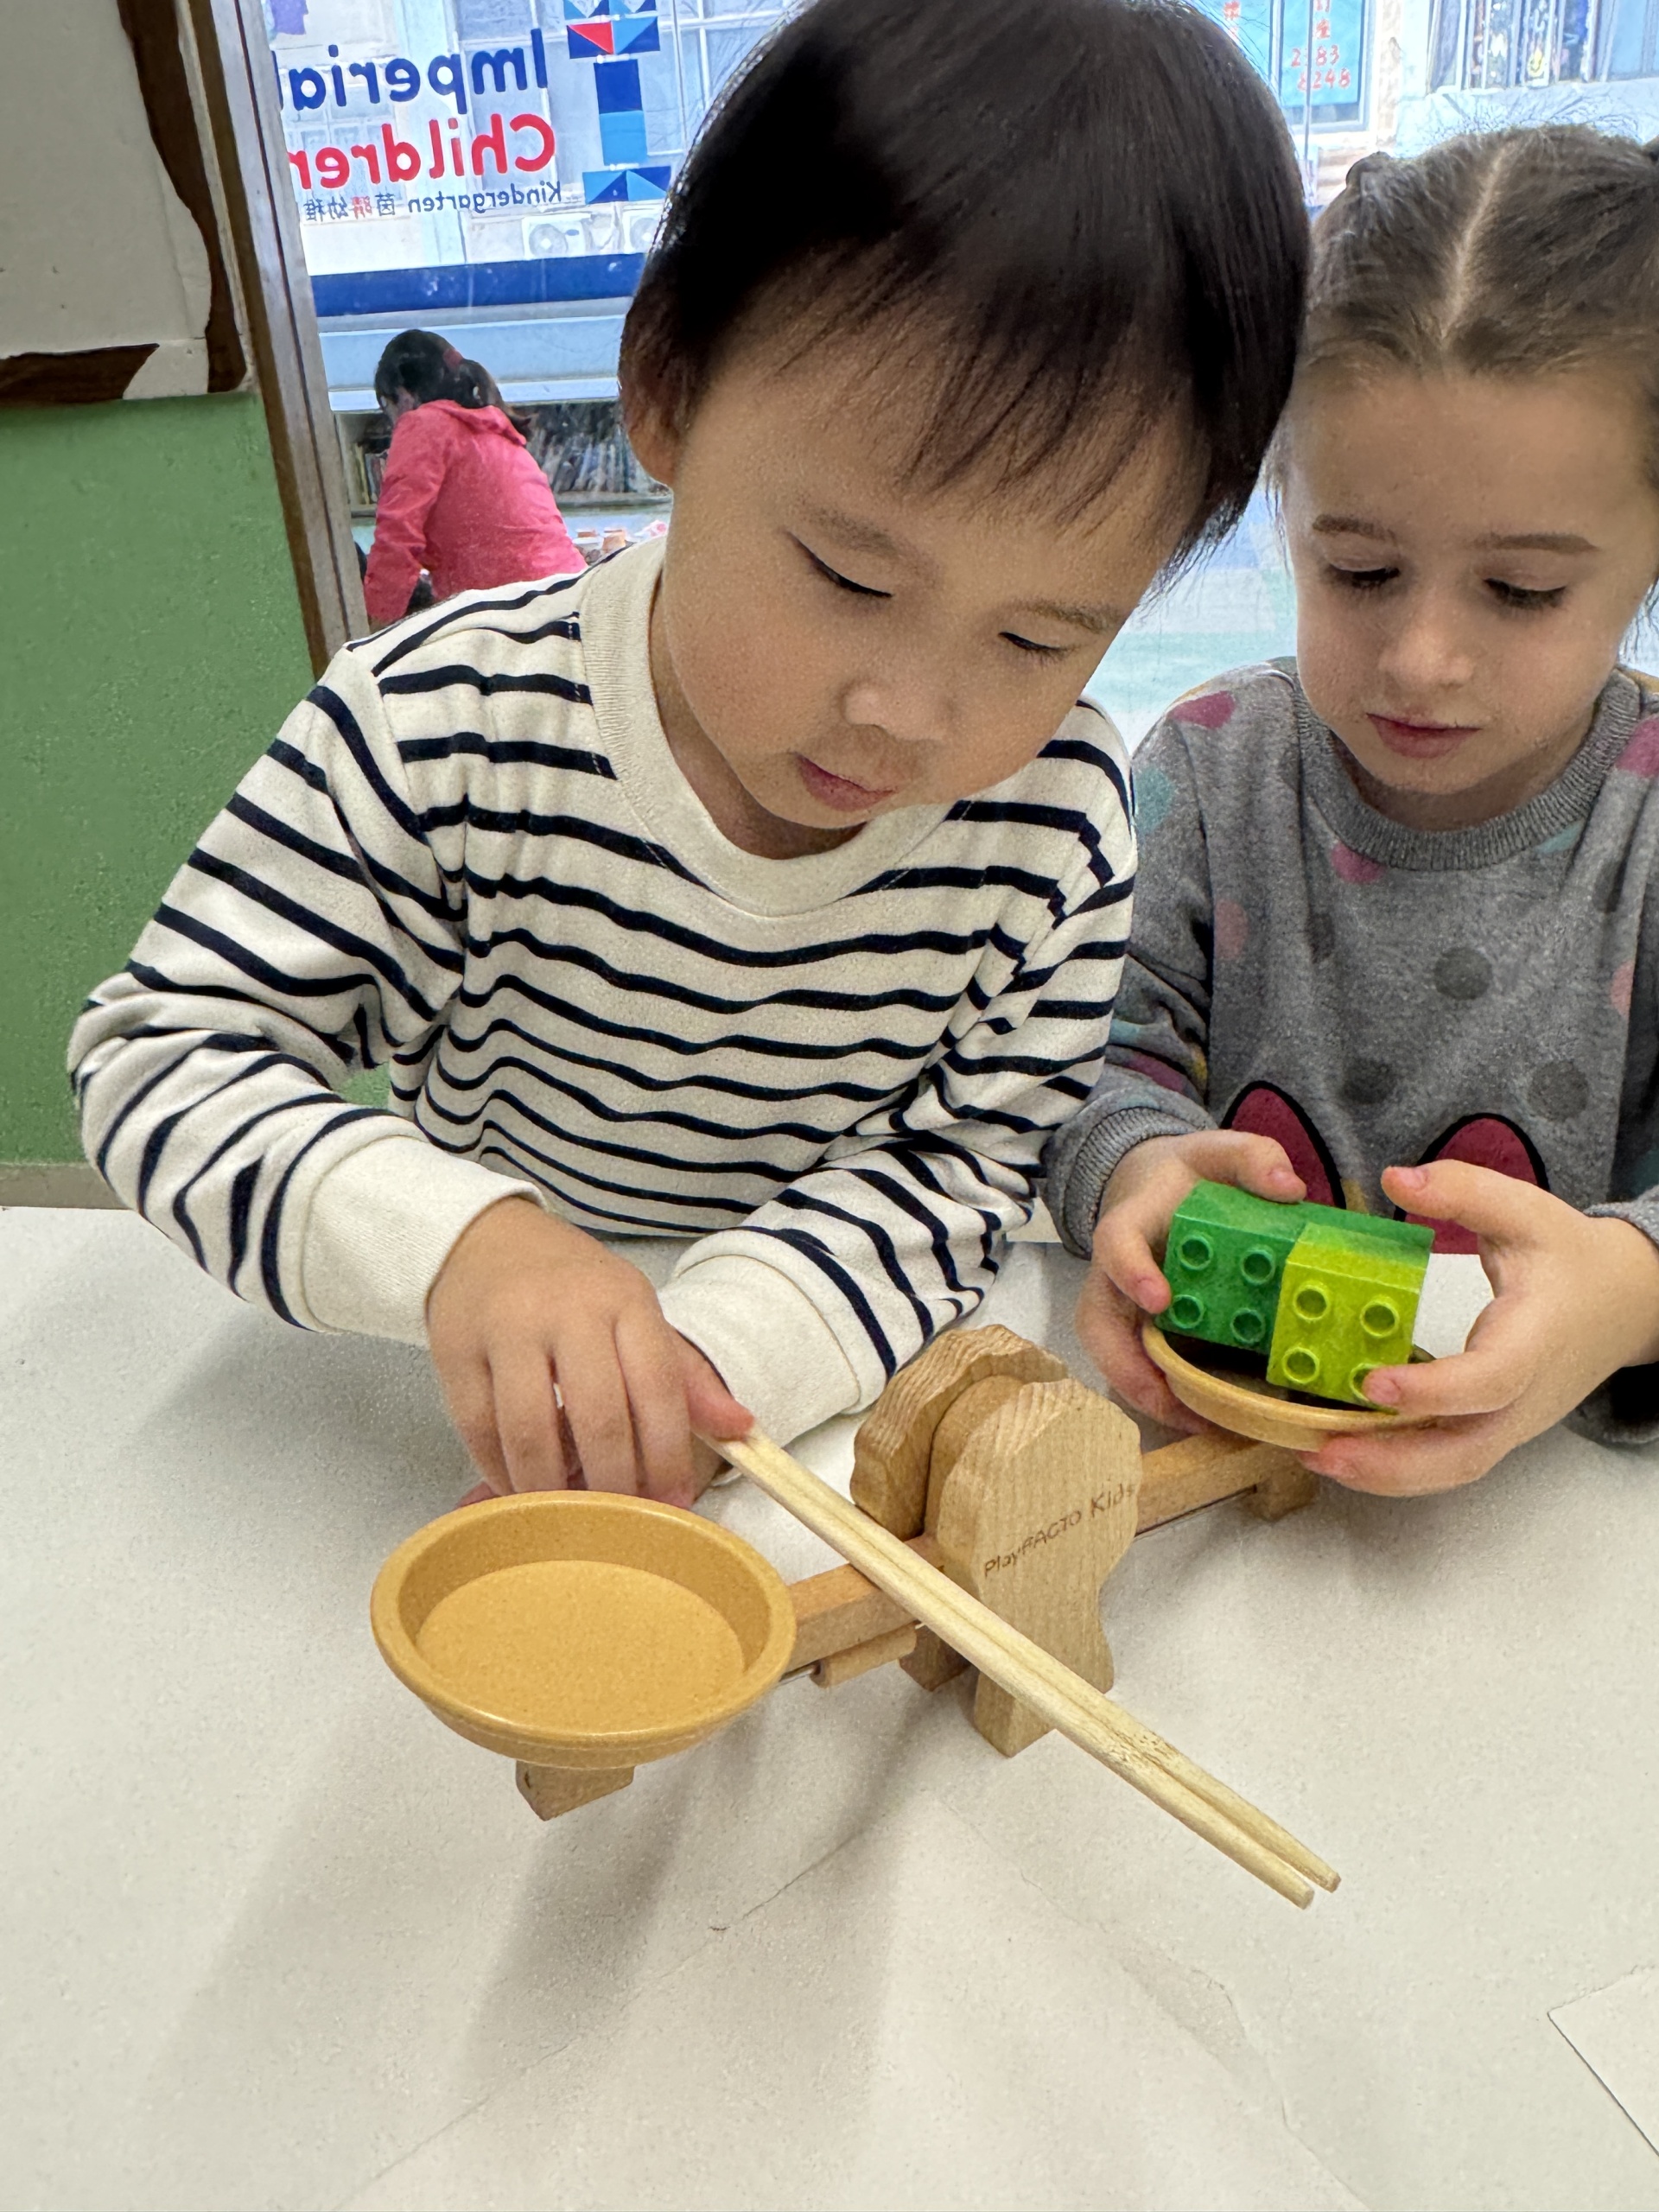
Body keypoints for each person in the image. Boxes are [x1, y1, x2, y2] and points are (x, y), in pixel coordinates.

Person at [70, 0, 1305, 1508]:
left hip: (793, 1422)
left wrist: (702, 1363)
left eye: (1041, 638)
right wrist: (456, 1243)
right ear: (665, 384)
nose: (912, 713)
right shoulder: (435, 723)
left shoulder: (1051, 823)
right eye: (850, 577)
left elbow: (954, 1175)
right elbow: (161, 1058)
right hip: (438, 1393)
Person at [1049, 125, 1659, 1501]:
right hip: (1214, 1466)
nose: (1422, 661)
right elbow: (1093, 1061)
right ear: (1287, 509)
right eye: (1362, 571)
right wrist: (1133, 1175)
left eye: (1521, 592)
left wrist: (1625, 1291)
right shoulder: (1210, 769)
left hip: (1550, 1511)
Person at [363, 329, 584, 626]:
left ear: (402, 395)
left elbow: (397, 533)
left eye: (387, 409)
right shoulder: (494, 429)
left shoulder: (423, 424)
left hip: (510, 613)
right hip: (567, 596)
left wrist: (375, 626)